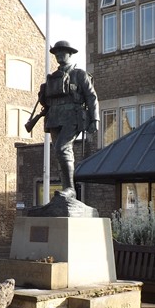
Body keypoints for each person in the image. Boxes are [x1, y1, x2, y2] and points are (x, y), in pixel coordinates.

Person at [38, 40, 99, 200]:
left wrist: (95, 119)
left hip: (72, 117)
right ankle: (67, 188)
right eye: (56, 52)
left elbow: (91, 97)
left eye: (62, 51)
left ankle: (70, 188)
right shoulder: (51, 77)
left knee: (62, 149)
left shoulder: (79, 74)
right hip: (54, 118)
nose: (58, 54)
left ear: (70, 54)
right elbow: (46, 101)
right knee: (60, 153)